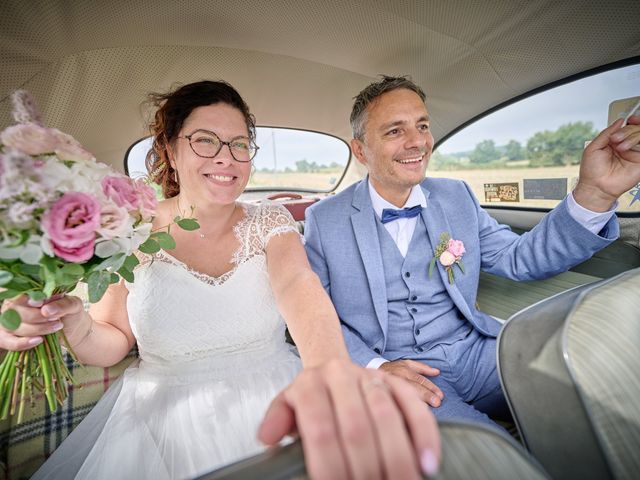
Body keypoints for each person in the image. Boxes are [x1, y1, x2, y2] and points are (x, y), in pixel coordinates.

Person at [0, 80, 440, 480]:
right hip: (161, 417)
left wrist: (328, 370)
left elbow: (298, 287)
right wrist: (73, 320)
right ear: (171, 150)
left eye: (238, 144)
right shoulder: (129, 230)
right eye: (205, 142)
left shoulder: (270, 221)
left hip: (277, 389)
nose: (225, 158)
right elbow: (112, 340)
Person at [304, 75, 640, 429]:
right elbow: (316, 318)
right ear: (360, 151)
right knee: (488, 453)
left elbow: (521, 258)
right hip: (404, 373)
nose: (417, 142)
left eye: (422, 126)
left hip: (480, 354)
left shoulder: (456, 196)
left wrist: (595, 192)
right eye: (394, 132)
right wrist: (377, 368)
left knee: (595, 403)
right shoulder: (324, 220)